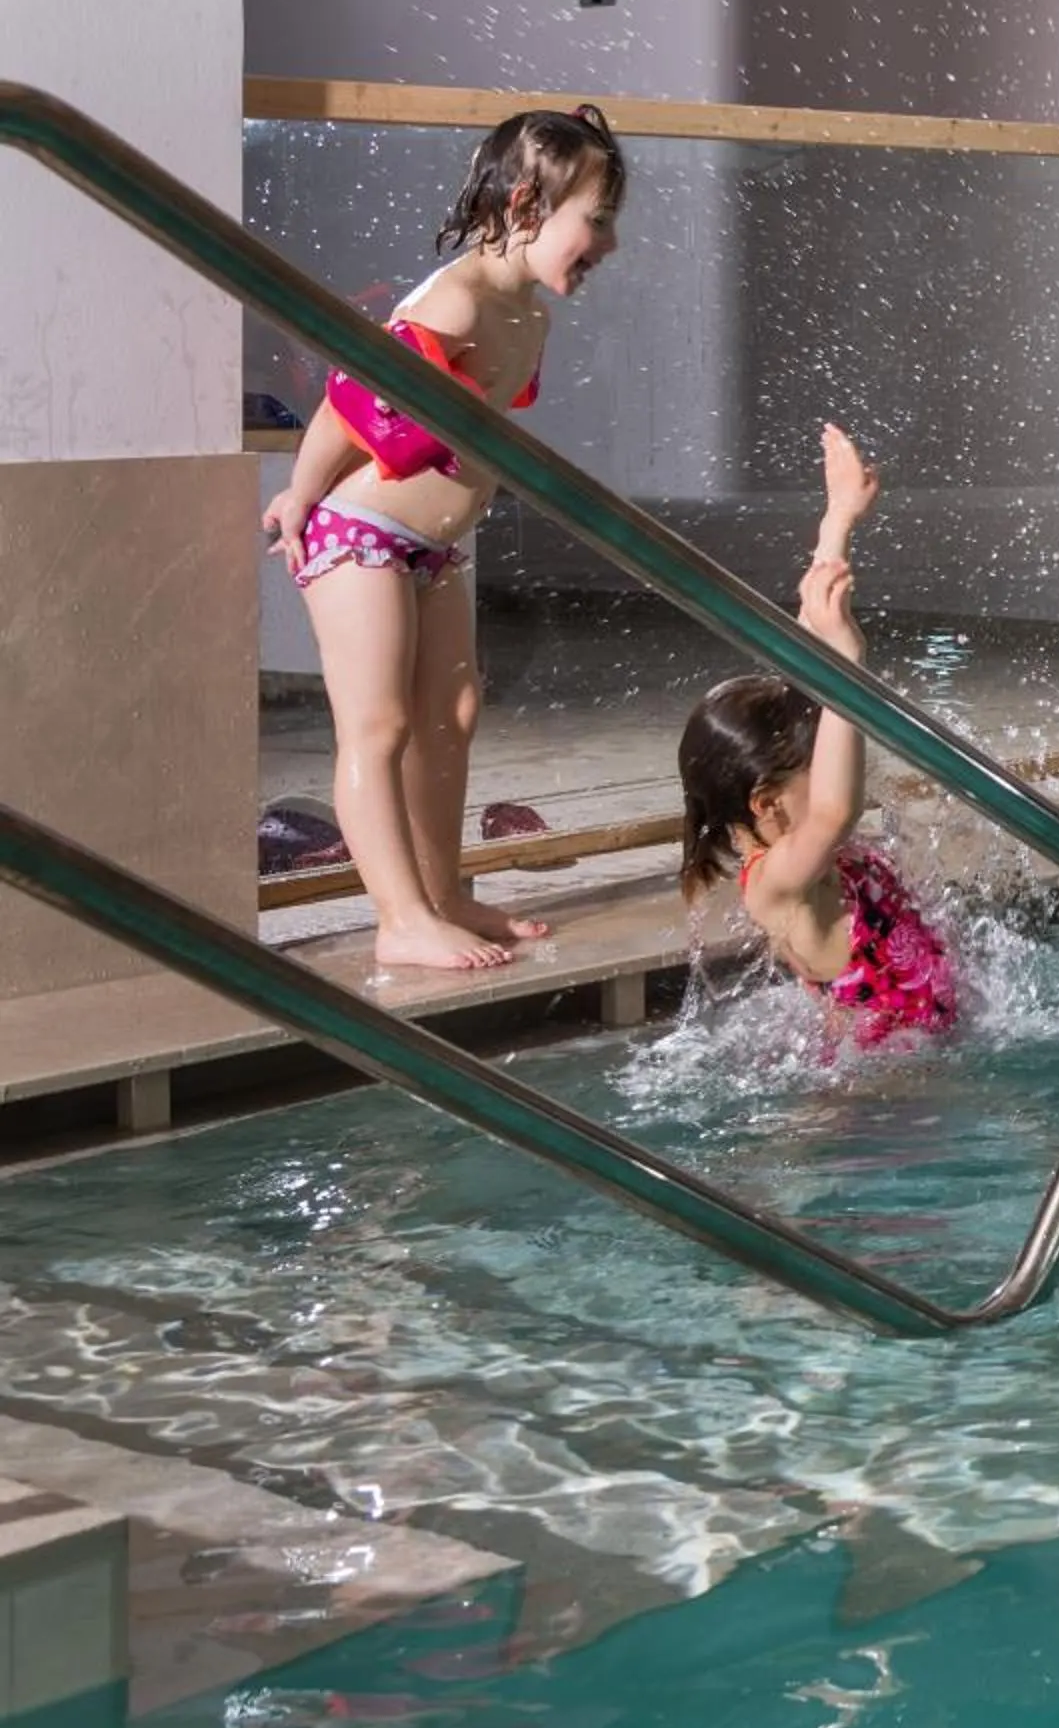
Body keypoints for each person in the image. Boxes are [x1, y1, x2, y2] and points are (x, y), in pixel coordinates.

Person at [258, 105, 627, 970]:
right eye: (598, 220)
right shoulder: (455, 302)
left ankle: (445, 893)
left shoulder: (526, 314)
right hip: (361, 531)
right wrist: (298, 498)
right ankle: (399, 916)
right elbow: (348, 403)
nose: (608, 244)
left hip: (432, 548)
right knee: (379, 725)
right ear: (529, 204)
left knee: (451, 716)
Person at [677, 424, 960, 1050]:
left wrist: (839, 519)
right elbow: (834, 809)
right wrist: (850, 660)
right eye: (818, 758)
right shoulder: (778, 880)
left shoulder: (792, 834)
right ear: (766, 801)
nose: (838, 757)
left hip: (918, 1059)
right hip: (880, 1089)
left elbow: (804, 650)